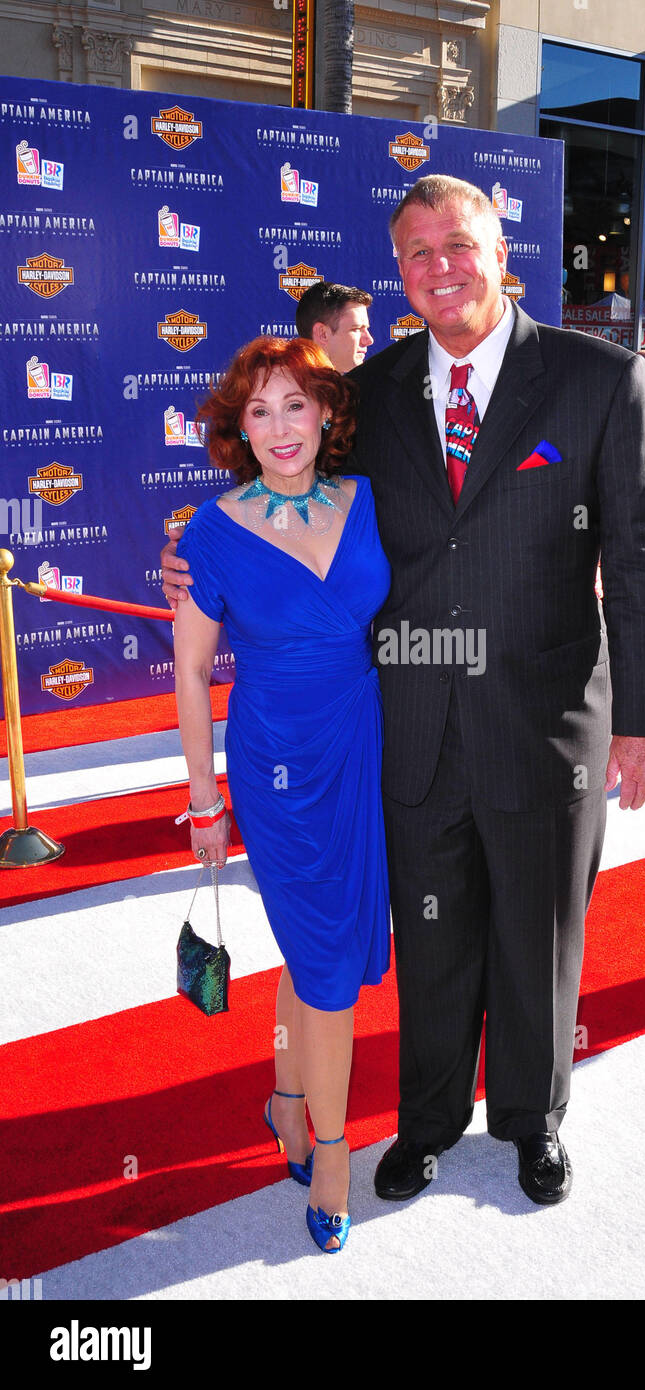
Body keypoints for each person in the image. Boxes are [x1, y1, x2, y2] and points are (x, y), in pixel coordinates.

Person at [163, 174, 645, 1209]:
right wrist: (199, 567)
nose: (439, 265)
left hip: (546, 724)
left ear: (500, 252)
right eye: (415, 251)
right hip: (402, 724)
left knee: (536, 934)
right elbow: (290, 480)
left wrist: (643, 722)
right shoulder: (379, 391)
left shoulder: (596, 378)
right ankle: (430, 1117)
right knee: (434, 934)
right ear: (397, 273)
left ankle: (531, 1122)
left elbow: (643, 557)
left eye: (458, 243)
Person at [172, 336, 391, 1253]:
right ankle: (335, 1154)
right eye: (257, 412)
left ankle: (287, 1098)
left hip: (360, 741)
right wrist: (203, 801)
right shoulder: (211, 533)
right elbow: (188, 673)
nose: (278, 427)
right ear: (238, 430)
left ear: (327, 412)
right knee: (329, 965)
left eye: (294, 404)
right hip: (276, 765)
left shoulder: (367, 497)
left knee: (322, 947)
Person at [294, 281, 374, 374]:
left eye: (366, 329)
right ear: (323, 334)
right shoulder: (288, 386)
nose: (369, 340)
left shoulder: (359, 386)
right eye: (356, 329)